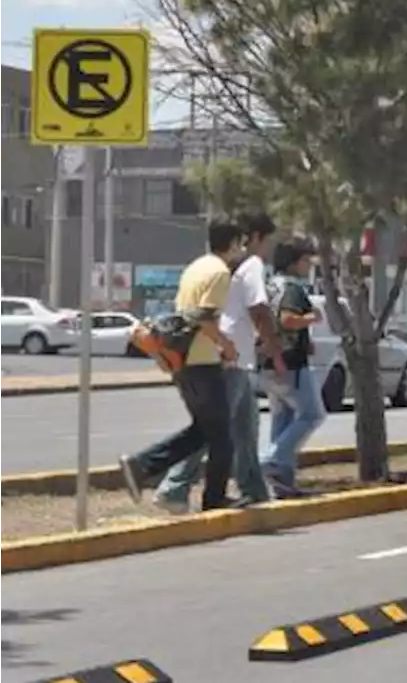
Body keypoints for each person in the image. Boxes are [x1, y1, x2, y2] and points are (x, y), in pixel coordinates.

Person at [152, 212, 288, 514]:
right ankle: (173, 486)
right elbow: (259, 309)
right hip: (230, 358)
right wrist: (274, 349)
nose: (269, 248)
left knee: (245, 429)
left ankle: (253, 490)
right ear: (252, 239)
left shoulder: (227, 268)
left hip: (235, 358)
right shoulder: (250, 266)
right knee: (215, 431)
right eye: (268, 241)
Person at [119, 217, 244, 512]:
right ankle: (214, 499)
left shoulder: (195, 268)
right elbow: (204, 317)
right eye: (241, 244)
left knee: (205, 431)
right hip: (202, 362)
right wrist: (227, 347)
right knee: (222, 437)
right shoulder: (219, 273)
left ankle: (141, 466)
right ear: (235, 243)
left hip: (183, 361)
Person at [260, 237, 325, 498]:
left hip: (267, 362)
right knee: (312, 414)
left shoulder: (268, 286)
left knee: (283, 418)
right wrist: (312, 318)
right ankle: (271, 460)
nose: (309, 266)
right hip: (290, 364)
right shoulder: (292, 288)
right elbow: (287, 319)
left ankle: (281, 484)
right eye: (306, 261)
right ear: (294, 262)